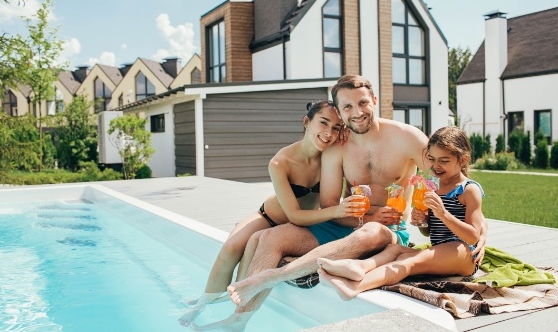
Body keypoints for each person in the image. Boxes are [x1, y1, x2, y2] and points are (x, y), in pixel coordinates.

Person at [190, 75, 478, 332]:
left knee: (373, 232)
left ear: (374, 101)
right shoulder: (337, 149)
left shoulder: (407, 138)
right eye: (348, 107)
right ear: (339, 111)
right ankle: (239, 321)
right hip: (349, 222)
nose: (357, 112)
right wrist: (365, 215)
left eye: (362, 103)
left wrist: (473, 225)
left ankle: (269, 277)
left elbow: (447, 175)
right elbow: (330, 206)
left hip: (389, 229)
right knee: (270, 236)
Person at [179, 100, 365, 326]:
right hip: (269, 217)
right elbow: (295, 215)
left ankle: (233, 303)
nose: (328, 133)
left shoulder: (331, 156)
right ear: (307, 122)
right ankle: (201, 305)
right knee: (230, 248)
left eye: (336, 128)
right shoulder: (281, 162)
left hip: (301, 224)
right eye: (323, 123)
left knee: (250, 260)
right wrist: (337, 210)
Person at [317, 126, 485, 300]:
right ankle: (359, 267)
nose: (436, 166)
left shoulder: (469, 190)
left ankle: (355, 287)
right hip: (441, 250)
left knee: (408, 261)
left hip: (463, 252)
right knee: (395, 249)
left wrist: (443, 214)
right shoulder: (434, 187)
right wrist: (424, 221)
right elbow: (429, 232)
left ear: (463, 159)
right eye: (431, 159)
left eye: (444, 161)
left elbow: (472, 236)